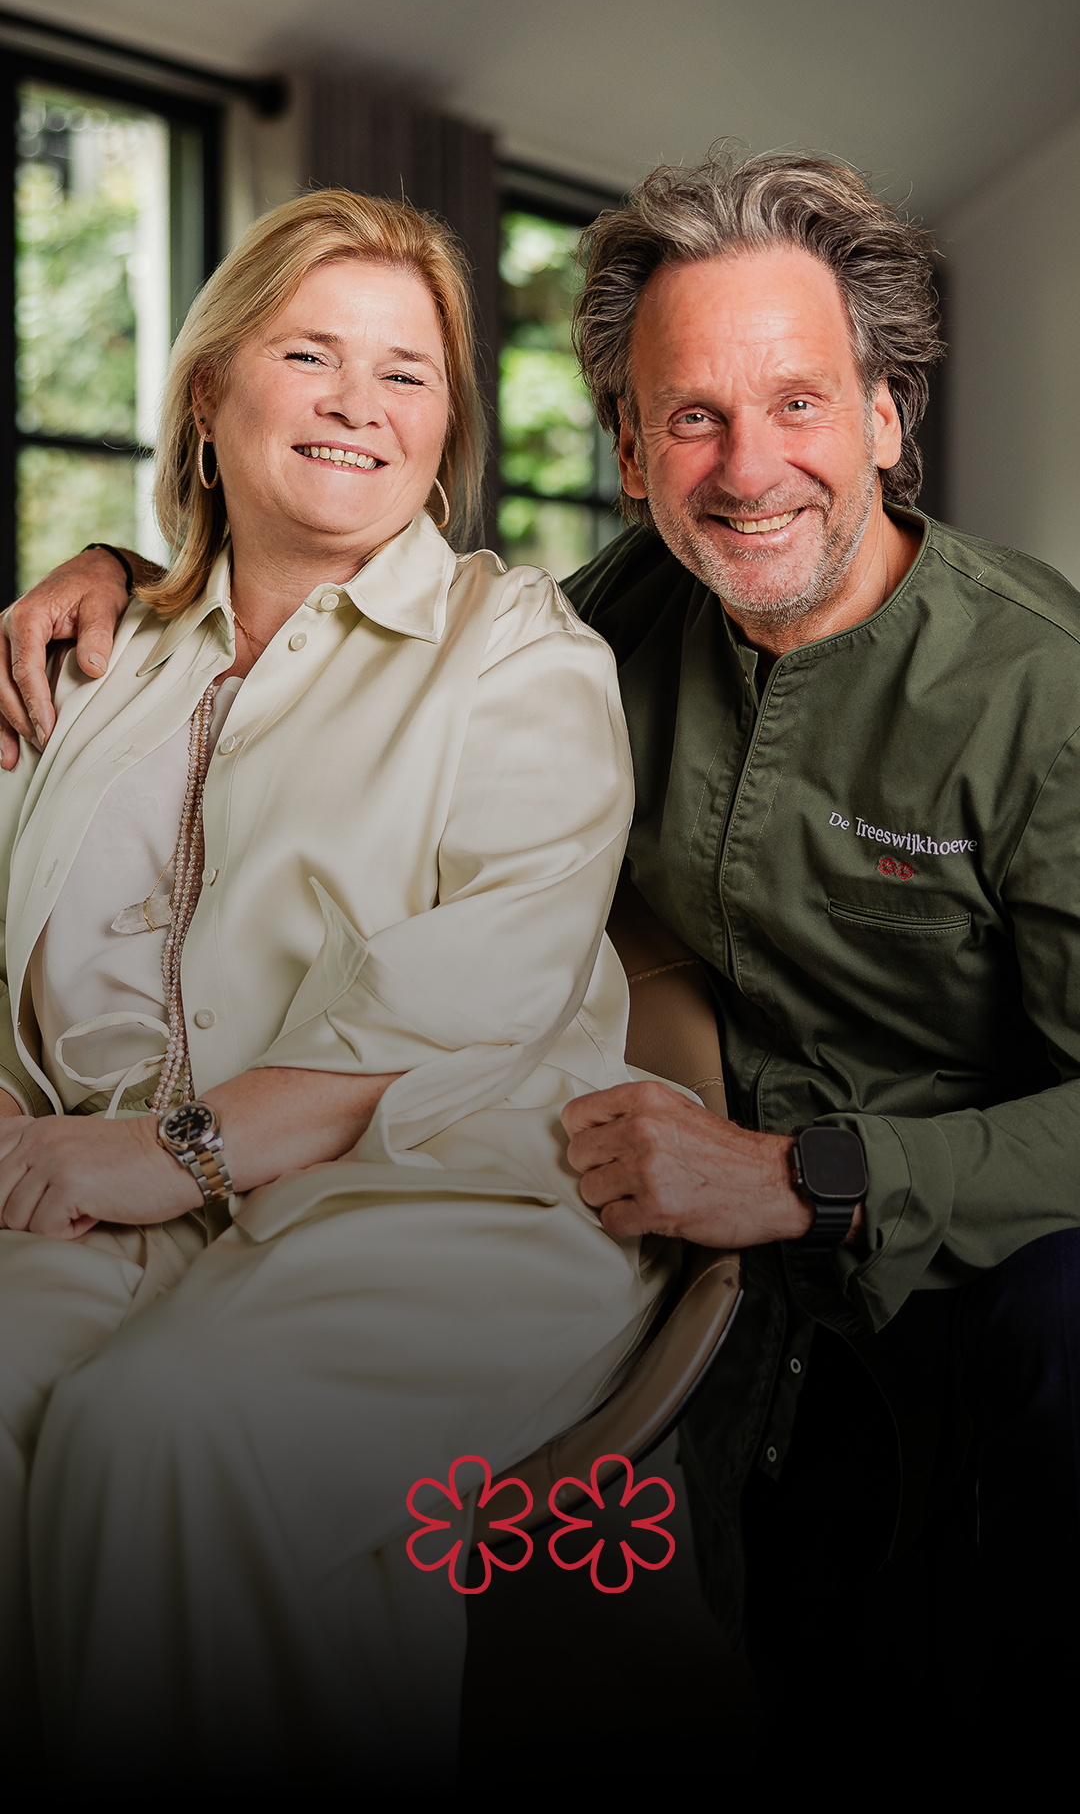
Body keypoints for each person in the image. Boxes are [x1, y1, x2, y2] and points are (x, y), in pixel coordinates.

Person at [14, 151, 1080, 1776]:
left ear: (887, 416)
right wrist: (122, 570)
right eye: (692, 418)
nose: (747, 471)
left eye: (799, 404)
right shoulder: (622, 606)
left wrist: (814, 1172)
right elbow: (316, 594)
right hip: (667, 1195)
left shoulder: (1038, 693)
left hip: (954, 1239)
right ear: (632, 450)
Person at [0, 188, 676, 1796]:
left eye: (408, 371)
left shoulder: (517, 651)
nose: (358, 405)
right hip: (110, 1195)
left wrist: (167, 1150)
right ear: (212, 389)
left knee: (164, 1442)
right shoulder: (96, 657)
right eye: (310, 353)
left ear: (446, 424)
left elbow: (468, 1004)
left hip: (441, 1188)